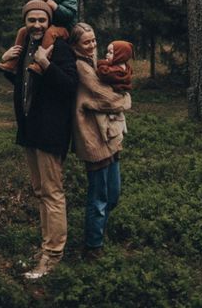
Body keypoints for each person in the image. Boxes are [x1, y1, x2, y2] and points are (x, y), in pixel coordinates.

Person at [0, 0, 78, 279]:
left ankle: (53, 256)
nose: (36, 25)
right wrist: (10, 60)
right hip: (30, 130)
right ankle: (46, 247)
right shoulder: (26, 48)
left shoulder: (60, 49)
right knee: (40, 191)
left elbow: (70, 86)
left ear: (48, 22)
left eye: (41, 21)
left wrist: (46, 64)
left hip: (51, 132)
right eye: (31, 20)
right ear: (26, 22)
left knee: (53, 193)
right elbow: (27, 86)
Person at [69, 23, 131, 259]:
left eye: (94, 40)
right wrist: (125, 99)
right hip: (92, 139)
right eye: (87, 42)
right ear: (76, 46)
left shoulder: (95, 62)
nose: (93, 45)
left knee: (113, 193)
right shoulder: (81, 66)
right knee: (99, 196)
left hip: (109, 137)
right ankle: (93, 247)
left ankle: (99, 234)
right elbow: (105, 96)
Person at [0, 0, 79, 75]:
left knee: (50, 32)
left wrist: (56, 7)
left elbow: (69, 15)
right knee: (22, 30)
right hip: (53, 26)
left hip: (66, 29)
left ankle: (39, 64)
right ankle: (12, 62)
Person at [95, 40, 134, 144]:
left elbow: (102, 72)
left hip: (113, 96)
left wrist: (101, 62)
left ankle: (105, 136)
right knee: (119, 116)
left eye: (111, 53)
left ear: (120, 55)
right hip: (120, 95)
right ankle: (122, 128)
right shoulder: (126, 67)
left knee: (103, 119)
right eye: (108, 52)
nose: (107, 55)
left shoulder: (115, 70)